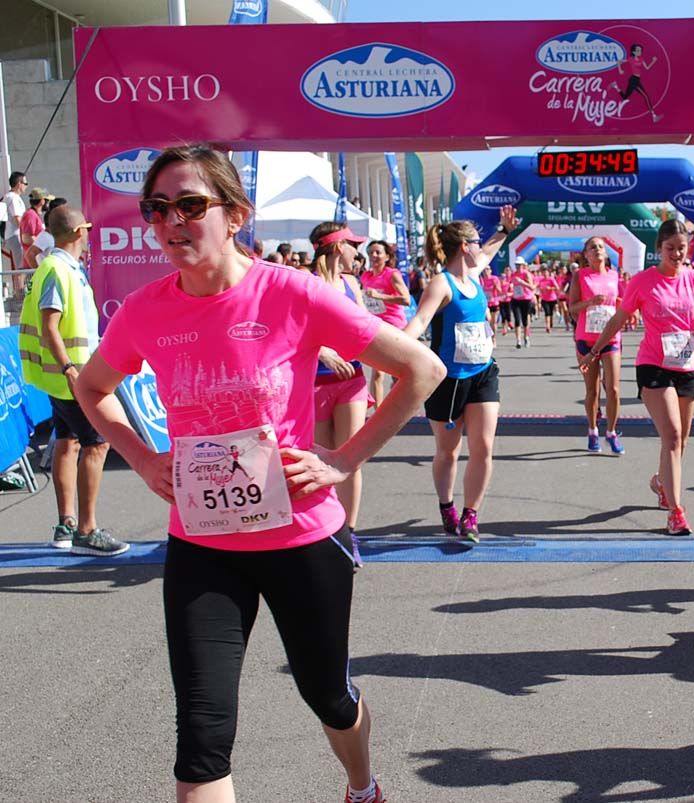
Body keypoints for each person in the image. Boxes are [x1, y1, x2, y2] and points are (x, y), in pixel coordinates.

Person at [74, 144, 444, 803]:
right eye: (157, 209)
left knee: (327, 694)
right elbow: (94, 387)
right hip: (203, 545)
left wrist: (342, 458)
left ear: (235, 214)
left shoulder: (291, 292)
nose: (171, 222)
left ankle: (362, 785)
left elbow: (422, 371)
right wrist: (142, 456)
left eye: (191, 205)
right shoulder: (145, 310)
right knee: (201, 742)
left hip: (301, 539)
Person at [583, 218, 694, 535]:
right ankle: (676, 513)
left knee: (681, 442)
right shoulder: (643, 281)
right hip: (653, 365)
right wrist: (595, 350)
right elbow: (617, 320)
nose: (677, 254)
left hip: (687, 365)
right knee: (672, 435)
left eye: (682, 248)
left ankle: (660, 482)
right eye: (670, 249)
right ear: (658, 249)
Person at [18, 204, 128, 556]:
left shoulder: (60, 267)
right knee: (96, 444)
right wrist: (68, 368)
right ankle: (85, 529)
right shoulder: (57, 268)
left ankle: (67, 524)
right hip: (74, 376)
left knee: (69, 441)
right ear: (81, 231)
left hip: (67, 376)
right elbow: (50, 325)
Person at [404, 206, 517, 541]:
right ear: (463, 247)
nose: (480, 245)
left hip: (483, 373)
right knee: (448, 451)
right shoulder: (442, 284)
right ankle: (446, 505)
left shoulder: (474, 274)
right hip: (448, 380)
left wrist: (504, 230)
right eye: (475, 241)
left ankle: (471, 515)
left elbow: (491, 249)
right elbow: (420, 322)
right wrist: (392, 348)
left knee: (483, 447)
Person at [309, 223, 374, 542]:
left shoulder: (352, 284)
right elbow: (292, 332)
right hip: (315, 384)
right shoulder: (306, 283)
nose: (357, 253)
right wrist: (323, 352)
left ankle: (349, 533)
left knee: (351, 457)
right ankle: (326, 530)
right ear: (337, 247)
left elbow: (366, 329)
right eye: (353, 245)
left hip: (352, 381)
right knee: (322, 460)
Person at [568, 236, 624, 455]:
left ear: (606, 254)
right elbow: (572, 308)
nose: (598, 250)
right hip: (586, 339)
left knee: (614, 389)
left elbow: (622, 302)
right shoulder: (580, 276)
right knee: (593, 391)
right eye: (593, 247)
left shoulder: (614, 276)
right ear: (586, 255)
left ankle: (611, 431)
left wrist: (622, 306)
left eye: (601, 247)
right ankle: (592, 430)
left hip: (611, 338)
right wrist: (589, 303)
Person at [360, 240, 412, 404]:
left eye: (377, 253)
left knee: (397, 373)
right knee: (377, 373)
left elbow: (406, 299)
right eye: (370, 253)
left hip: (395, 326)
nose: (373, 256)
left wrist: (379, 296)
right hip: (377, 327)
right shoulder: (365, 276)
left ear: (387, 256)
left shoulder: (392, 274)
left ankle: (397, 406)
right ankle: (379, 413)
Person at [608, 43, 662, 122]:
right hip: (633, 80)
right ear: (633, 52)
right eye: (638, 50)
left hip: (637, 80)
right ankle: (654, 116)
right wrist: (620, 70)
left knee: (625, 97)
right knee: (645, 96)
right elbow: (619, 61)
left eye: (640, 50)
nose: (640, 52)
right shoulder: (630, 59)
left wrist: (653, 61)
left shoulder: (641, 59)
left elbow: (647, 68)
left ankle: (615, 86)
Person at [3, 171, 27, 285]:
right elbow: (17, 219)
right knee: (20, 266)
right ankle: (20, 292)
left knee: (20, 265)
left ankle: (19, 290)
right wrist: (27, 232)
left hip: (11, 235)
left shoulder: (8, 197)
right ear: (19, 184)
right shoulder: (13, 198)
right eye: (25, 183)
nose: (26, 186)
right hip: (15, 235)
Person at [509, 256, 535, 347]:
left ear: (523, 265)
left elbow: (532, 287)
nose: (518, 267)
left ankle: (526, 337)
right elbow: (511, 285)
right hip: (515, 299)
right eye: (517, 265)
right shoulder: (513, 274)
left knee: (525, 321)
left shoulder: (527, 274)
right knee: (517, 319)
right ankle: (518, 341)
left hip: (526, 299)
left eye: (520, 265)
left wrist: (522, 282)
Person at [538, 266, 560, 333]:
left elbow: (557, 288)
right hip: (544, 299)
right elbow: (539, 287)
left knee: (550, 313)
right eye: (544, 273)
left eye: (546, 273)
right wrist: (541, 290)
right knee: (547, 313)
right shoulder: (541, 280)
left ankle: (550, 324)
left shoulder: (551, 279)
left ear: (548, 273)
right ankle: (547, 326)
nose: (545, 274)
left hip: (552, 299)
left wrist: (550, 288)